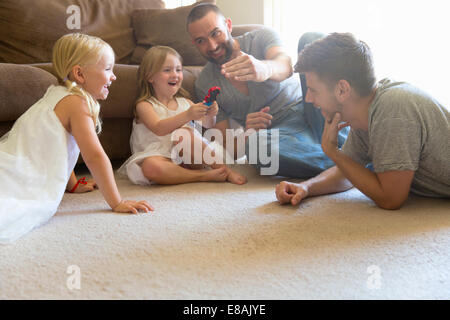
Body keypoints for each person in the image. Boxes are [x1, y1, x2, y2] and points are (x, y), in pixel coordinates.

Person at [0, 33, 153, 244]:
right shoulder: (77, 104)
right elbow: (94, 157)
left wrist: (71, 184)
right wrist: (117, 202)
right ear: (80, 74)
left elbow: (58, 147)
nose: (114, 76)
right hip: (20, 172)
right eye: (108, 69)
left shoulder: (56, 94)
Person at [276, 32, 450, 210]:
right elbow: (347, 172)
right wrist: (306, 187)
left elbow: (391, 199)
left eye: (313, 90)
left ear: (342, 89)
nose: (308, 98)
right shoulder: (363, 114)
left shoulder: (393, 108)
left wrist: (333, 151)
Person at [186, 3, 348, 178]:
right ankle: (351, 166)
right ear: (193, 43)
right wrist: (248, 132)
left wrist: (265, 68)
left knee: (312, 38)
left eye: (215, 33)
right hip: (283, 137)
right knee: (255, 147)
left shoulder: (261, 37)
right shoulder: (205, 83)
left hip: (314, 109)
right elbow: (226, 144)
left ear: (228, 25)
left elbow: (285, 64)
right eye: (201, 41)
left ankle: (344, 153)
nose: (211, 46)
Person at [118, 46, 247, 185]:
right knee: (150, 167)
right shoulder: (145, 105)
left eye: (178, 70)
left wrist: (211, 114)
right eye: (167, 70)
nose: (175, 75)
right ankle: (202, 176)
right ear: (150, 77)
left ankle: (224, 170)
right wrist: (187, 115)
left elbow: (207, 125)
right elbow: (159, 128)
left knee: (183, 134)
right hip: (159, 157)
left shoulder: (185, 103)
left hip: (188, 158)